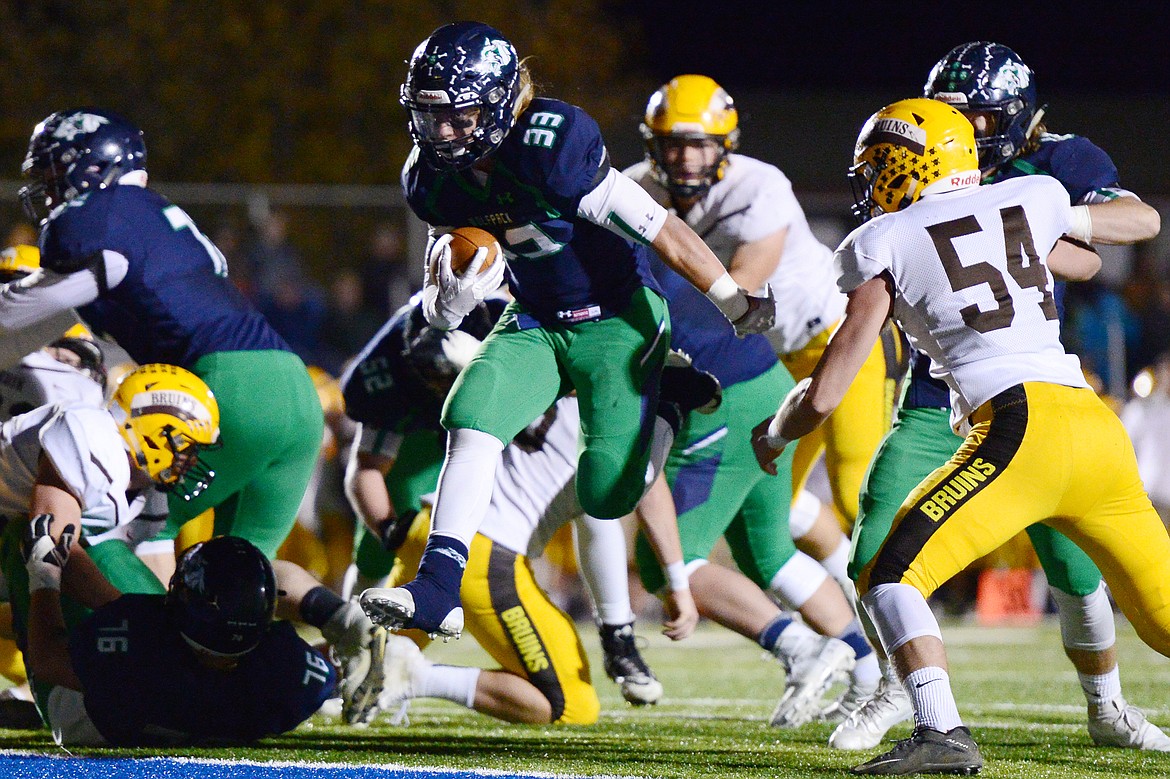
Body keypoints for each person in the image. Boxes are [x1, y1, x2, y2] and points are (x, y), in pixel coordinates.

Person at [754, 97, 1170, 775]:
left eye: (878, 167)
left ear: (903, 165)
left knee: (889, 576)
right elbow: (1092, 259)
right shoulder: (1030, 194)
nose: (870, 182)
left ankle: (940, 729)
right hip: (1092, 424)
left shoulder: (879, 242)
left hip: (1017, 427)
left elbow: (827, 391)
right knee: (1162, 615)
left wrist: (774, 434)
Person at [359, 23, 774, 638]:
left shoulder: (550, 145)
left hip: (616, 317)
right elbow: (446, 282)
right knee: (471, 414)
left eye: (457, 116)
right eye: (427, 115)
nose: (439, 132)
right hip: (534, 315)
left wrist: (731, 299)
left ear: (499, 104)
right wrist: (451, 295)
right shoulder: (431, 178)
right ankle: (438, 588)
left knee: (606, 494)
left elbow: (658, 227)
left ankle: (669, 404)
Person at [5, 108, 324, 578]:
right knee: (241, 575)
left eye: (54, 176)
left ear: (91, 169)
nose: (48, 193)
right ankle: (349, 627)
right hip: (294, 390)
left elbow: (15, 317)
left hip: (226, 389)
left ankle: (145, 648)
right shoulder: (160, 221)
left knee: (122, 528)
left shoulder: (102, 218)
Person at [342, 297, 685, 714]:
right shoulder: (589, 389)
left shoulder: (531, 354)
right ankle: (411, 675)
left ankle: (319, 672)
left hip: (437, 528)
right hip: (485, 555)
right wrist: (672, 589)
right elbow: (627, 505)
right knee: (574, 705)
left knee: (357, 646)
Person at [626, 74, 905, 544]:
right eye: (673, 144)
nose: (685, 158)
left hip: (837, 341)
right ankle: (842, 599)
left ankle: (907, 588)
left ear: (725, 144)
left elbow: (742, 286)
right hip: (770, 363)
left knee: (856, 490)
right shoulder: (635, 189)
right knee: (769, 507)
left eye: (699, 144)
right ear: (653, 143)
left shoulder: (757, 185)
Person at [625, 247, 879, 728]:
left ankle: (800, 647)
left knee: (667, 563)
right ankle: (868, 673)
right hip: (765, 383)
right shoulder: (632, 236)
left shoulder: (590, 262)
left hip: (720, 398)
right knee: (770, 552)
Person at [19, 531, 336, 745]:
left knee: (45, 544)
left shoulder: (140, 653)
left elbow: (47, 659)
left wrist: (42, 578)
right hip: (172, 694)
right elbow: (322, 674)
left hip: (86, 720)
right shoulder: (293, 679)